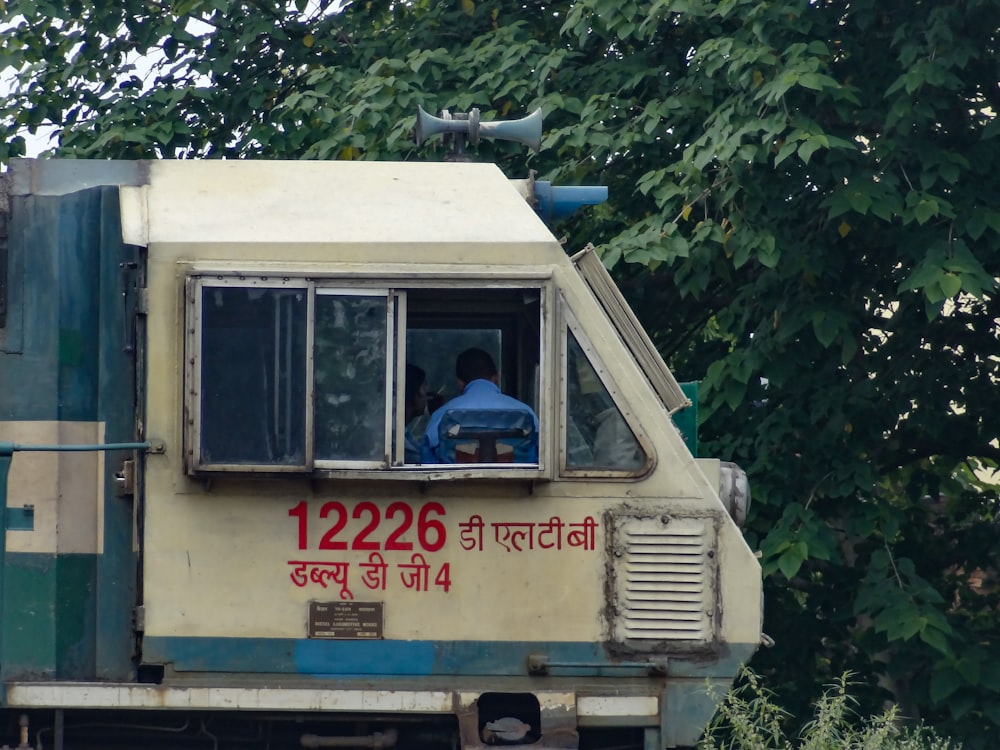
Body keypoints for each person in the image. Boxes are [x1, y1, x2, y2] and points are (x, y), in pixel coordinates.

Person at [420, 348, 538, 464]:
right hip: (517, 483)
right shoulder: (526, 412)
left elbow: (427, 464)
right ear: (496, 378)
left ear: (460, 383)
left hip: (457, 483)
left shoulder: (441, 415)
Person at [403, 363, 428, 464]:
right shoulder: (401, 447)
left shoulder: (405, 435)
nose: (426, 397)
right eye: (424, 390)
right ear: (417, 392)